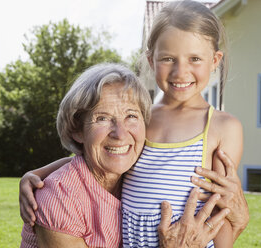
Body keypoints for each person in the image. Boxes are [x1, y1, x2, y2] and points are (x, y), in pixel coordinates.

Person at [21, 0, 250, 246]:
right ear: (151, 61)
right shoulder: (141, 119)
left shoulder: (221, 127)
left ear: (215, 60)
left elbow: (224, 205)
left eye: (194, 58)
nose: (180, 72)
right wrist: (37, 174)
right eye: (169, 59)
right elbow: (98, 156)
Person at [20, 63, 229, 248]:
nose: (120, 134)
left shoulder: (138, 172)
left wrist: (238, 218)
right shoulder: (60, 198)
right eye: (102, 118)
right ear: (77, 130)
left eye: (131, 116)